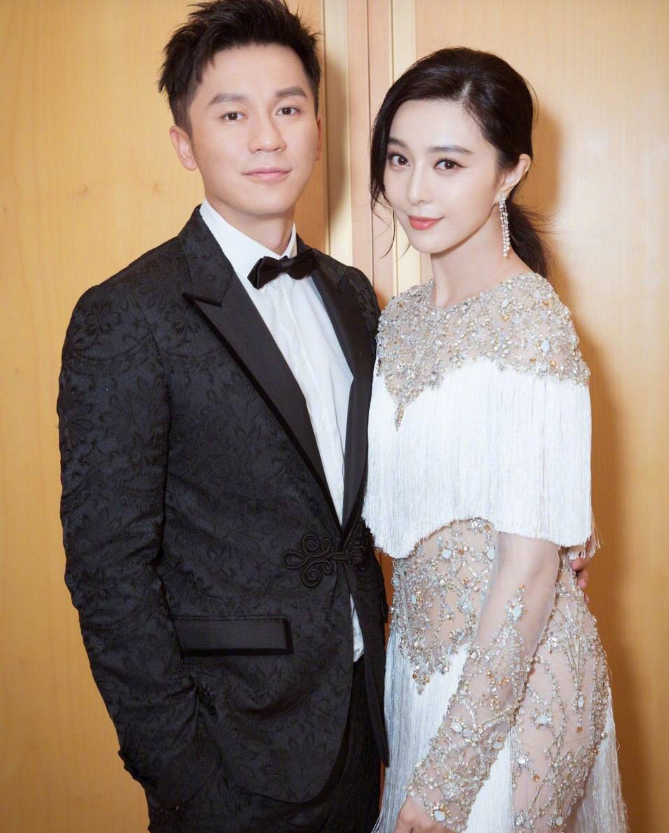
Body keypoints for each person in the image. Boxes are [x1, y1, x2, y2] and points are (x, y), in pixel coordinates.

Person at [56, 2, 388, 831]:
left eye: (288, 108)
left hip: (363, 726)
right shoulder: (127, 314)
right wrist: (184, 775)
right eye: (231, 114)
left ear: (318, 127)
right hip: (230, 757)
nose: (267, 138)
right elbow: (108, 573)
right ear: (184, 142)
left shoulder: (352, 294)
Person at [362, 48, 628, 833]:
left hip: (511, 687)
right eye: (399, 159)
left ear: (509, 173)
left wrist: (445, 782)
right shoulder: (397, 320)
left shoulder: (531, 321)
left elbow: (528, 572)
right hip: (414, 670)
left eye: (448, 163)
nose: (415, 189)